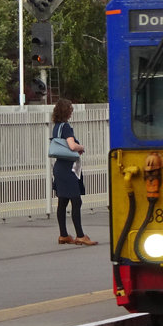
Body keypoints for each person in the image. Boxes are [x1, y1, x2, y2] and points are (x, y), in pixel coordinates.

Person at [51, 98, 97, 246]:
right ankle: (80, 235)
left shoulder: (56, 127)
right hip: (68, 169)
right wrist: (80, 146)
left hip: (59, 167)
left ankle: (63, 234)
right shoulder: (66, 127)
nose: (72, 111)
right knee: (76, 201)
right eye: (70, 108)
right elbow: (71, 146)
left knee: (62, 202)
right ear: (67, 111)